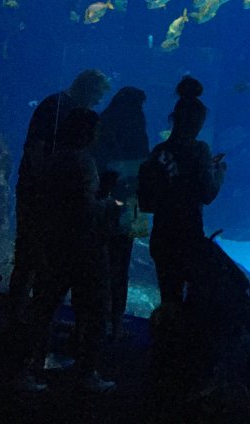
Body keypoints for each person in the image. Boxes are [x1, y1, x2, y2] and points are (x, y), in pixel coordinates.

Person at [19, 107, 120, 394]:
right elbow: (86, 210)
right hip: (85, 247)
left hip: (55, 243)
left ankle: (28, 369)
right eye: (96, 128)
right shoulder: (84, 161)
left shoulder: (54, 158)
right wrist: (109, 205)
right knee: (96, 309)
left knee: (44, 307)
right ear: (87, 132)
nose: (99, 133)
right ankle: (87, 372)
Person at [11, 68, 111, 312]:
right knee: (29, 251)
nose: (98, 100)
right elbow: (35, 147)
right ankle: (17, 313)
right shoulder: (54, 106)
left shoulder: (74, 110)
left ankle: (32, 313)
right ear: (84, 86)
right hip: (36, 191)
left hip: (53, 194)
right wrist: (44, 183)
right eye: (97, 93)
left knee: (47, 255)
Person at [141, 77, 226, 309]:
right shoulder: (199, 150)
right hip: (189, 235)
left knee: (169, 299)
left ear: (173, 119)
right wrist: (218, 173)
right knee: (194, 302)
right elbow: (208, 195)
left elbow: (147, 202)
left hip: (162, 236)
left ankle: (163, 342)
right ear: (199, 123)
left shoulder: (158, 151)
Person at [94, 86, 150, 338]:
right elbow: (143, 167)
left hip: (101, 202)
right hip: (125, 202)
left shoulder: (103, 122)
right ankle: (114, 322)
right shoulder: (136, 129)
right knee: (119, 266)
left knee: (98, 263)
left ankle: (95, 320)